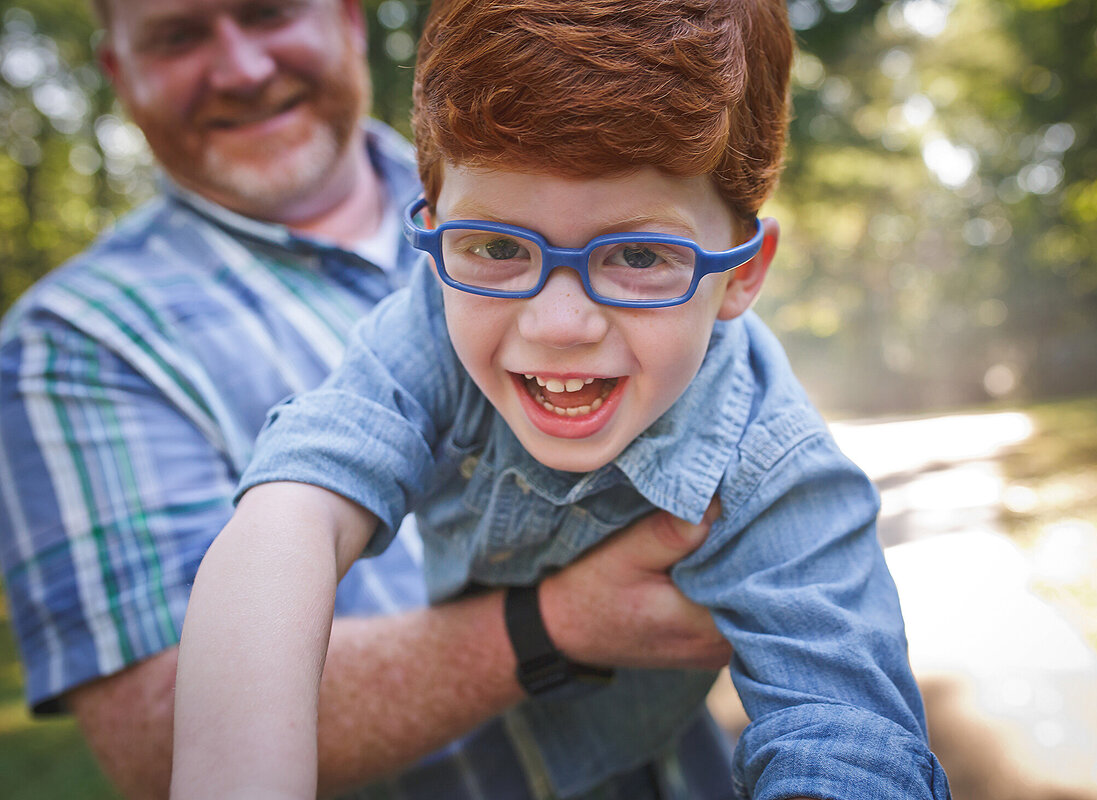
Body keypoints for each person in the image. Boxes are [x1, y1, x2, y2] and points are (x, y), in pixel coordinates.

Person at [171, 0, 953, 798]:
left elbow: (848, 733)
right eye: (500, 246)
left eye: (640, 254)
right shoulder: (431, 322)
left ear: (742, 273)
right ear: (438, 227)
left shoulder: (776, 473)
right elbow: (291, 511)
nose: (557, 324)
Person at [0, 0, 739, 797]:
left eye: (267, 13)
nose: (243, 69)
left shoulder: (554, 173)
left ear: (348, 18)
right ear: (120, 73)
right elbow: (156, 732)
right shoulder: (72, 341)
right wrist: (556, 626)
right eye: (179, 36)